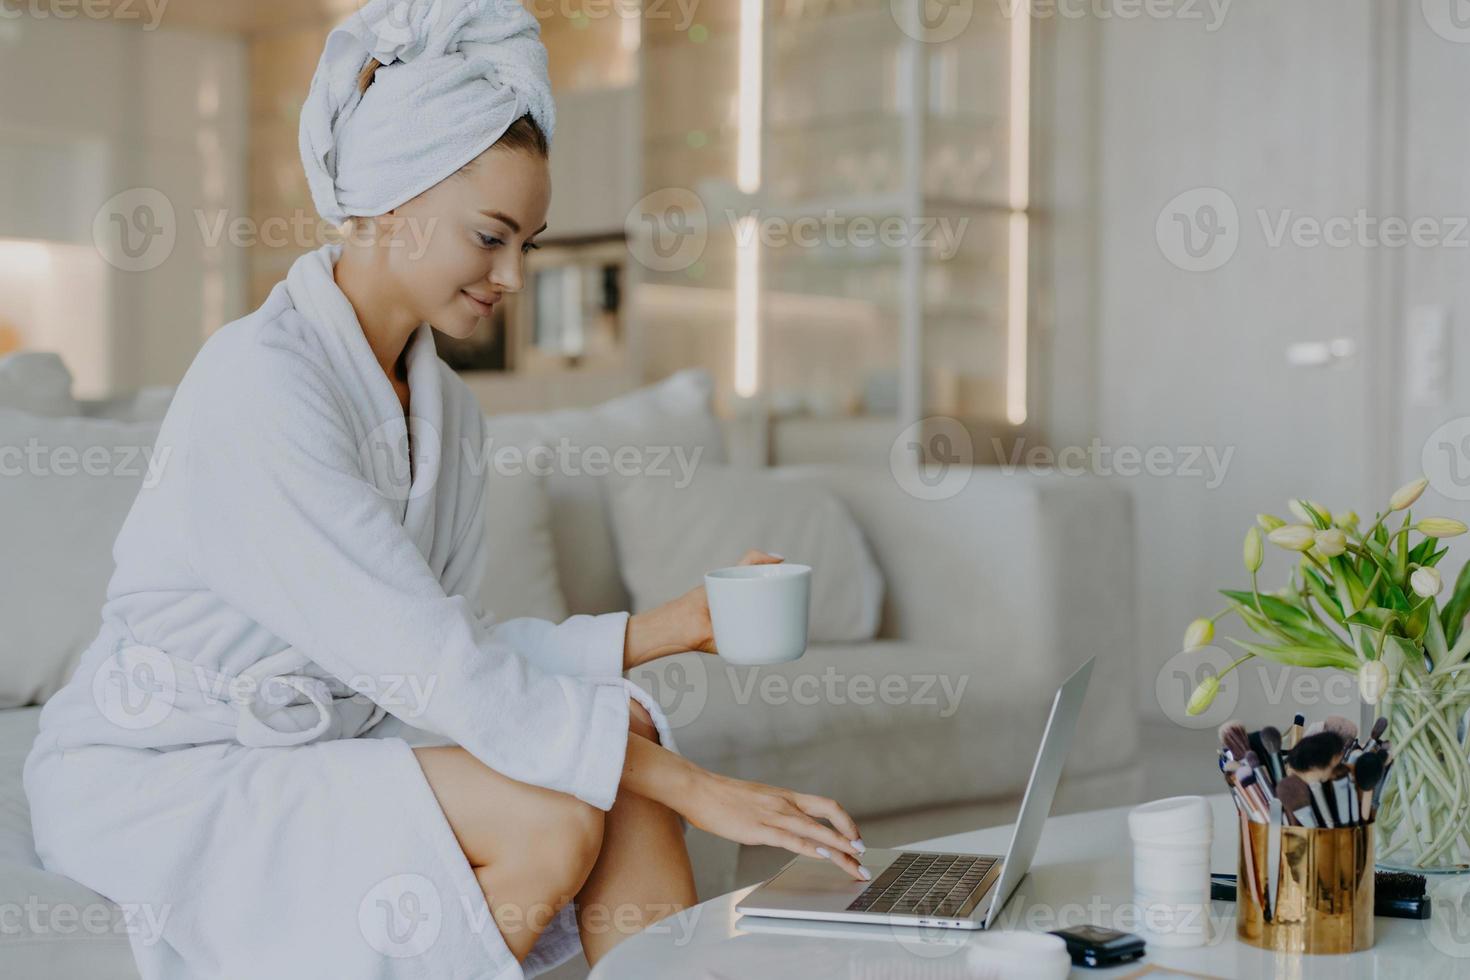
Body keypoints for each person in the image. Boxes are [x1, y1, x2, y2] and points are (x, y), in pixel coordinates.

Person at [23, 2, 865, 978]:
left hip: (325, 738)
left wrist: (673, 624)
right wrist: (698, 783)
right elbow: (428, 660)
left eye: (529, 243)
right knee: (558, 814)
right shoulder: (259, 381)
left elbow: (442, 648)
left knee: (615, 740)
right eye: (491, 235)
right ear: (392, 197)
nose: (511, 275)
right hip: (167, 771)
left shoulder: (450, 416)